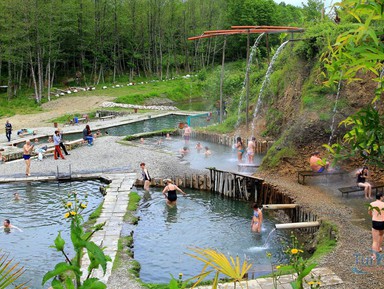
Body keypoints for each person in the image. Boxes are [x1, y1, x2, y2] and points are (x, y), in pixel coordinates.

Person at [368, 192, 384, 260]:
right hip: (382, 222)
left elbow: (369, 213)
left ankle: (374, 256)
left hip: (375, 222)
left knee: (374, 240)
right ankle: (378, 249)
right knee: (381, 236)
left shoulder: (371, 204)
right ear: (381, 197)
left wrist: (373, 217)